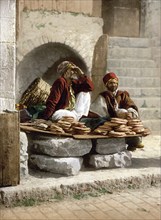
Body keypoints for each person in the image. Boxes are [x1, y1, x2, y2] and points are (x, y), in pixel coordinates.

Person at [89, 71, 144, 151]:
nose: (113, 85)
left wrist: (129, 112)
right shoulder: (103, 96)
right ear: (107, 85)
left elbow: (130, 104)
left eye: (115, 83)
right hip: (110, 120)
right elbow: (97, 110)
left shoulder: (122, 94)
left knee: (133, 123)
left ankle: (134, 142)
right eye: (111, 83)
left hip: (124, 119)